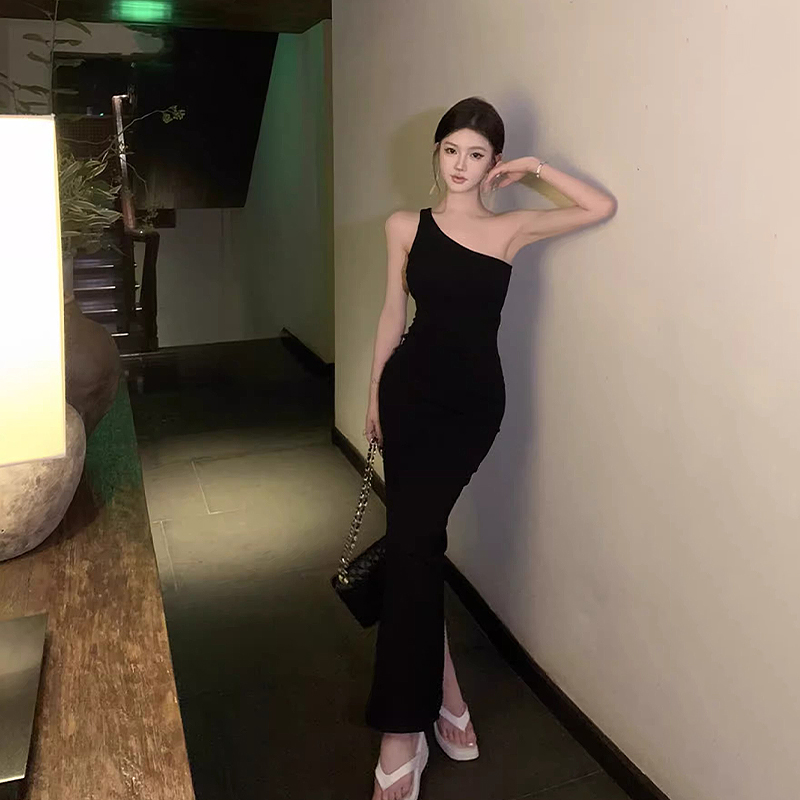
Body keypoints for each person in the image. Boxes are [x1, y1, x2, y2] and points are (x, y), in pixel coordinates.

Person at [363, 96, 617, 800]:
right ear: (437, 153)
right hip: (408, 397)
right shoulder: (405, 226)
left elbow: (599, 206)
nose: (461, 165)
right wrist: (374, 393)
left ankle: (421, 718)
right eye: (452, 150)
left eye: (477, 155)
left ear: (492, 164)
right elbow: (392, 312)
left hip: (472, 407)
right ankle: (420, 720)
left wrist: (534, 168)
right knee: (416, 547)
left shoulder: (511, 229)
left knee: (414, 544)